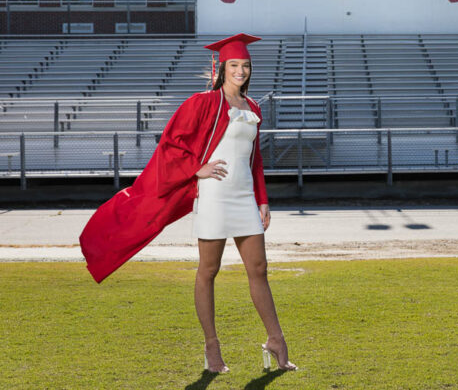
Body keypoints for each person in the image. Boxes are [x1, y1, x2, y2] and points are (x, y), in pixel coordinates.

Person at [79, 33, 296, 373]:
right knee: (209, 271)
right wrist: (197, 169)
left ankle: (276, 340)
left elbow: (254, 161)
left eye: (245, 66)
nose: (240, 71)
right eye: (234, 65)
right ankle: (212, 348)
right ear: (222, 68)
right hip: (214, 195)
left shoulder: (252, 108)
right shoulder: (203, 103)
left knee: (259, 269)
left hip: (244, 197)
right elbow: (170, 143)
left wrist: (263, 201)